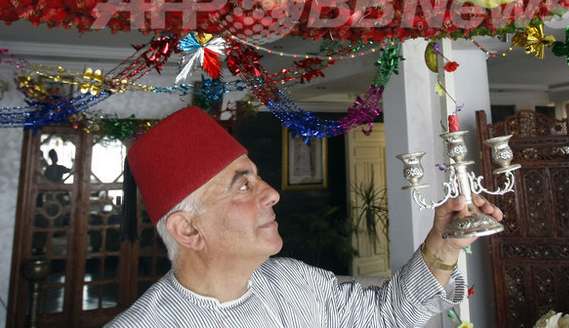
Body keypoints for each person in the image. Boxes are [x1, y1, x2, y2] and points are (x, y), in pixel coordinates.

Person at [107, 106, 502, 327]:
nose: (272, 193)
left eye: (258, 177)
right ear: (188, 229)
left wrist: (444, 243)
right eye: (243, 185)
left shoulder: (292, 281)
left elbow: (387, 315)